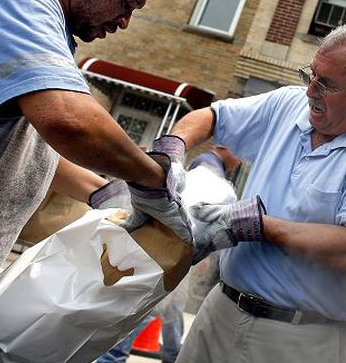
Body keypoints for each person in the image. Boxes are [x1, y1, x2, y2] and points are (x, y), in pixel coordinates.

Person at [171, 23, 346, 363]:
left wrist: (255, 225)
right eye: (311, 75)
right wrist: (172, 148)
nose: (310, 92)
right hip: (220, 312)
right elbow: (211, 117)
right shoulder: (286, 104)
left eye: (327, 84)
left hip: (296, 340)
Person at [0, 0, 191, 293]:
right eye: (126, 2)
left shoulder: (54, 33)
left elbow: (26, 151)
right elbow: (69, 122)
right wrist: (154, 181)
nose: (126, 21)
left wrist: (109, 195)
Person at [96, 147, 241, 363]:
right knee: (152, 310)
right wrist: (200, 251)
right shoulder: (210, 168)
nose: (240, 160)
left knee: (171, 310)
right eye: (239, 152)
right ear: (226, 146)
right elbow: (197, 210)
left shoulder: (207, 164)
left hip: (172, 250)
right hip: (174, 251)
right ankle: (114, 357)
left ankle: (172, 356)